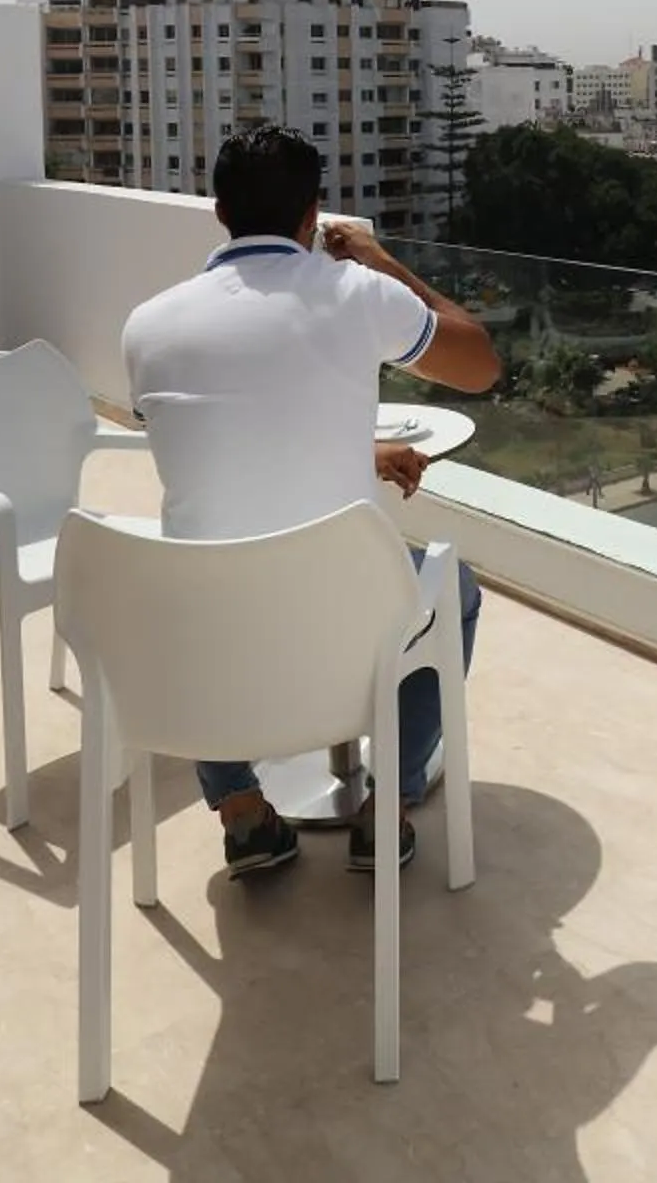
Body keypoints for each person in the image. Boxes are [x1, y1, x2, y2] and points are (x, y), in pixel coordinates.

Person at [121, 124, 501, 879]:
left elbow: (232, 435)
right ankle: (386, 806)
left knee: (190, 580)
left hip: (211, 633)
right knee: (452, 590)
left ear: (220, 211)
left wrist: (362, 452)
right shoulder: (358, 294)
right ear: (313, 213)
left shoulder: (147, 326)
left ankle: (241, 809)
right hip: (342, 627)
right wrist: (383, 262)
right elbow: (479, 365)